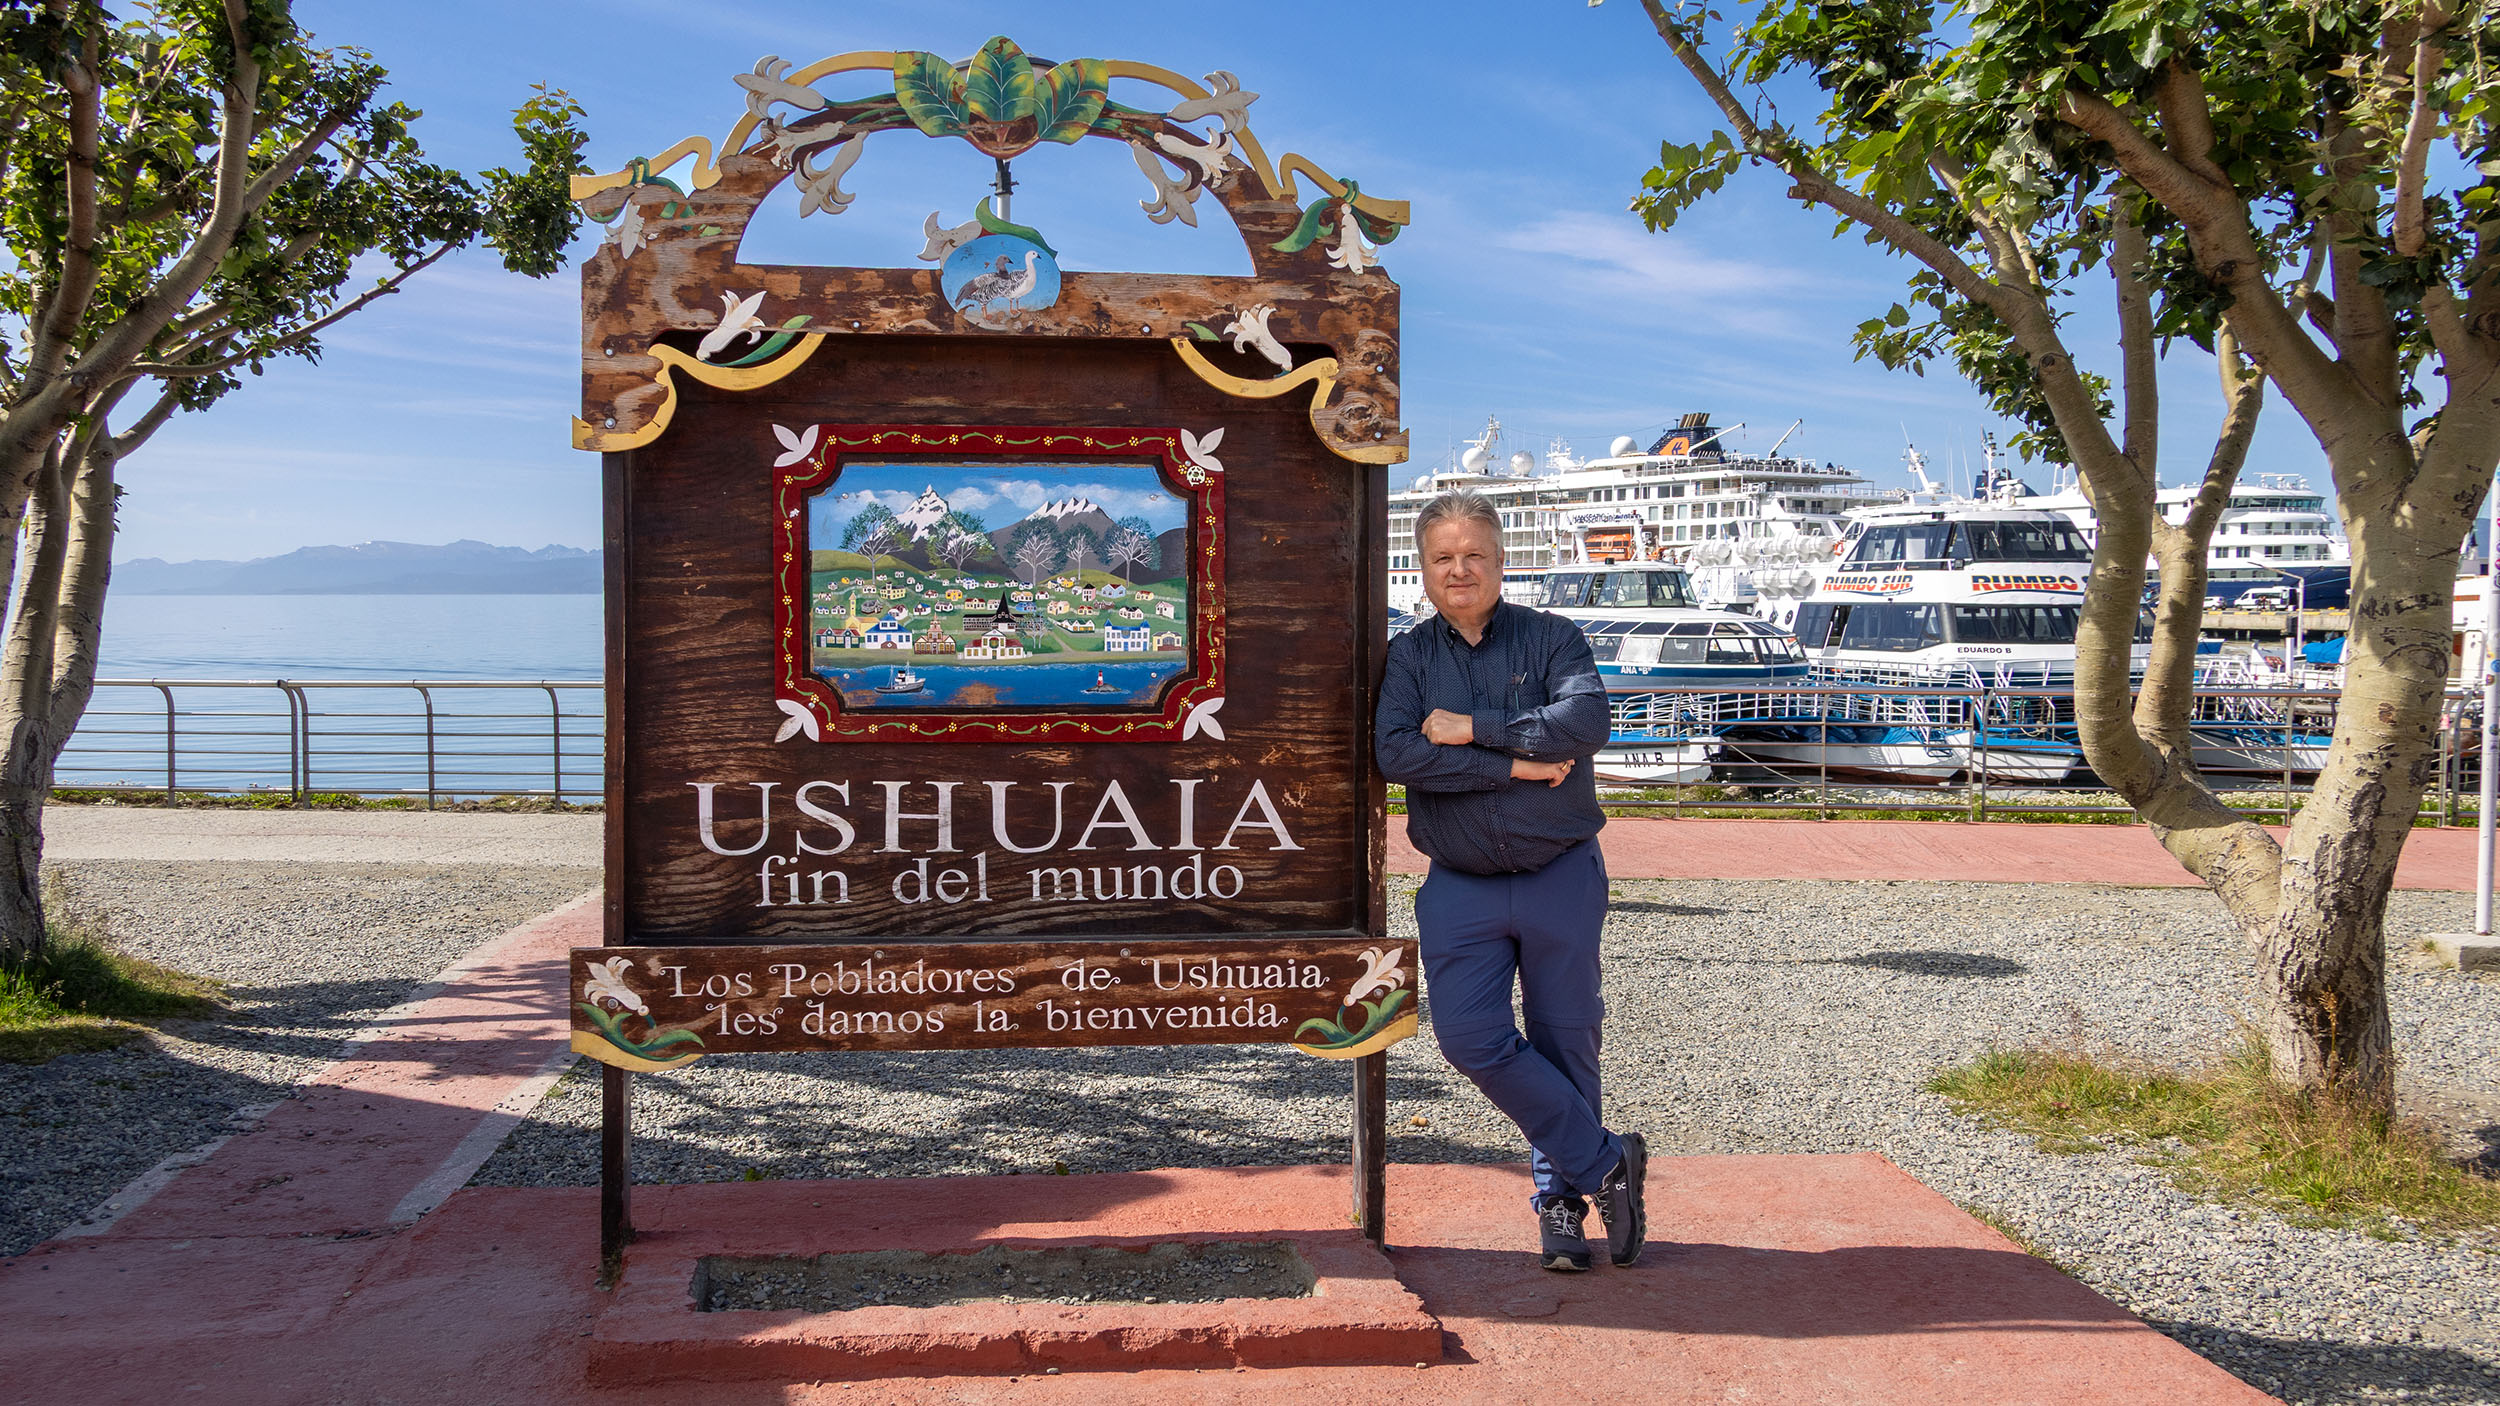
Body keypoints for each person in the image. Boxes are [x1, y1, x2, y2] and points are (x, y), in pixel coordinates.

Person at [1375, 488, 1646, 1272]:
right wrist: (1520, 765)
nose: (1459, 569)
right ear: (1421, 570)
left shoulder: (1554, 637)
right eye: (1442, 557)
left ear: (1500, 562)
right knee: (1468, 1038)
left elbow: (1587, 722)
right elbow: (1395, 755)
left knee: (1568, 1038)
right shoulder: (1411, 657)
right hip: (1459, 881)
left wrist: (1472, 730)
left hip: (1560, 870)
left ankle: (1561, 1205)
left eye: (1474, 555)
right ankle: (1607, 1164)